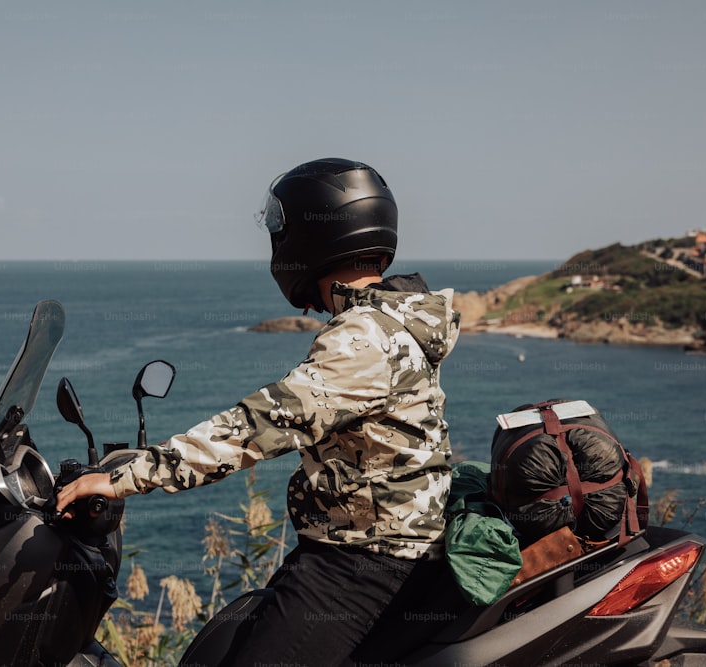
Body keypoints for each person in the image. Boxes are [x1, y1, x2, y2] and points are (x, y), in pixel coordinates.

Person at [56, 157, 464, 665]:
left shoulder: (364, 338)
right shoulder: (399, 319)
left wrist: (130, 475)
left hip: (364, 565)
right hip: (370, 550)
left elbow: (261, 424)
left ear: (314, 236)